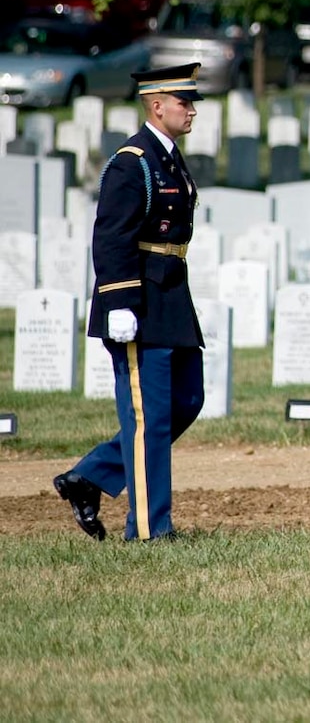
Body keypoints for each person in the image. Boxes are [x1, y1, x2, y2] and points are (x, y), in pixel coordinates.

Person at [54, 64, 207, 542]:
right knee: (148, 420)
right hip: (138, 302)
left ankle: (91, 475)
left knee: (187, 399)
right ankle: (148, 530)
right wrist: (119, 301)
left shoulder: (167, 158)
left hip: (171, 298)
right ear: (157, 105)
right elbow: (111, 237)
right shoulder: (132, 162)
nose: (192, 110)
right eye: (184, 102)